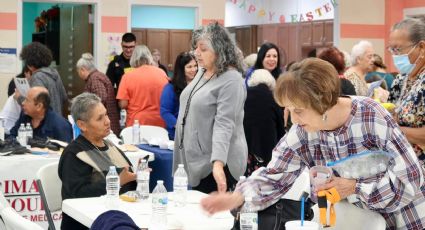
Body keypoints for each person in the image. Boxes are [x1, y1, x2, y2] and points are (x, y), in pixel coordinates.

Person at [200, 58, 425, 229]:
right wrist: (237, 197)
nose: (294, 120)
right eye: (289, 110)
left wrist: (355, 187)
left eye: (299, 111)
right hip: (350, 220)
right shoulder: (304, 132)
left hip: (405, 218)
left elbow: (411, 180)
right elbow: (275, 174)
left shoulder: (370, 115)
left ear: (324, 101)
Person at [173, 22, 247, 194]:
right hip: (195, 159)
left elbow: (225, 123)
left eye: (203, 49)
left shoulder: (231, 80)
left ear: (219, 50)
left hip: (217, 162)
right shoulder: (203, 71)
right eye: (196, 47)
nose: (196, 53)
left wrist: (218, 164)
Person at [58, 93, 137, 230]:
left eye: (106, 115)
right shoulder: (74, 154)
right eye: (100, 118)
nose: (107, 121)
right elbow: (77, 195)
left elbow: (127, 179)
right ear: (82, 125)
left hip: (118, 215)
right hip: (87, 222)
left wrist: (138, 174)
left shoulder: (109, 145)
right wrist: (117, 182)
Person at [388, 18, 425, 161]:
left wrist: (392, 130)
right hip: (402, 166)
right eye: (391, 49)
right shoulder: (401, 79)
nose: (395, 55)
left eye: (398, 49)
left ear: (421, 47)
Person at [243, 69, 284, 176]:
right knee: (264, 176)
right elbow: (280, 124)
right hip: (267, 144)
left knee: (249, 174)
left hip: (247, 142)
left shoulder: (245, 94)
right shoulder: (273, 97)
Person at [117, 45, 168, 127]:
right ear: (149, 57)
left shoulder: (127, 77)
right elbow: (168, 98)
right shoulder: (162, 73)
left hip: (136, 123)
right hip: (160, 122)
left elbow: (123, 104)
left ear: (133, 58)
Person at [76, 53, 120, 135]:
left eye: (78, 71)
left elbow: (101, 98)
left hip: (105, 125)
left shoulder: (95, 79)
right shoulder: (97, 76)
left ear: (82, 70)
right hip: (106, 123)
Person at [19, 42, 67, 115]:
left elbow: (35, 105)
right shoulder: (54, 73)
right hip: (57, 118)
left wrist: (19, 97)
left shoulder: (37, 77)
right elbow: (64, 97)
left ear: (30, 63)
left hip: (44, 122)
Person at [160, 52, 198, 140]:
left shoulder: (199, 85)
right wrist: (181, 127)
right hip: (177, 136)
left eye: (195, 66)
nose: (194, 69)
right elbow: (165, 112)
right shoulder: (170, 88)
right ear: (181, 69)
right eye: (189, 67)